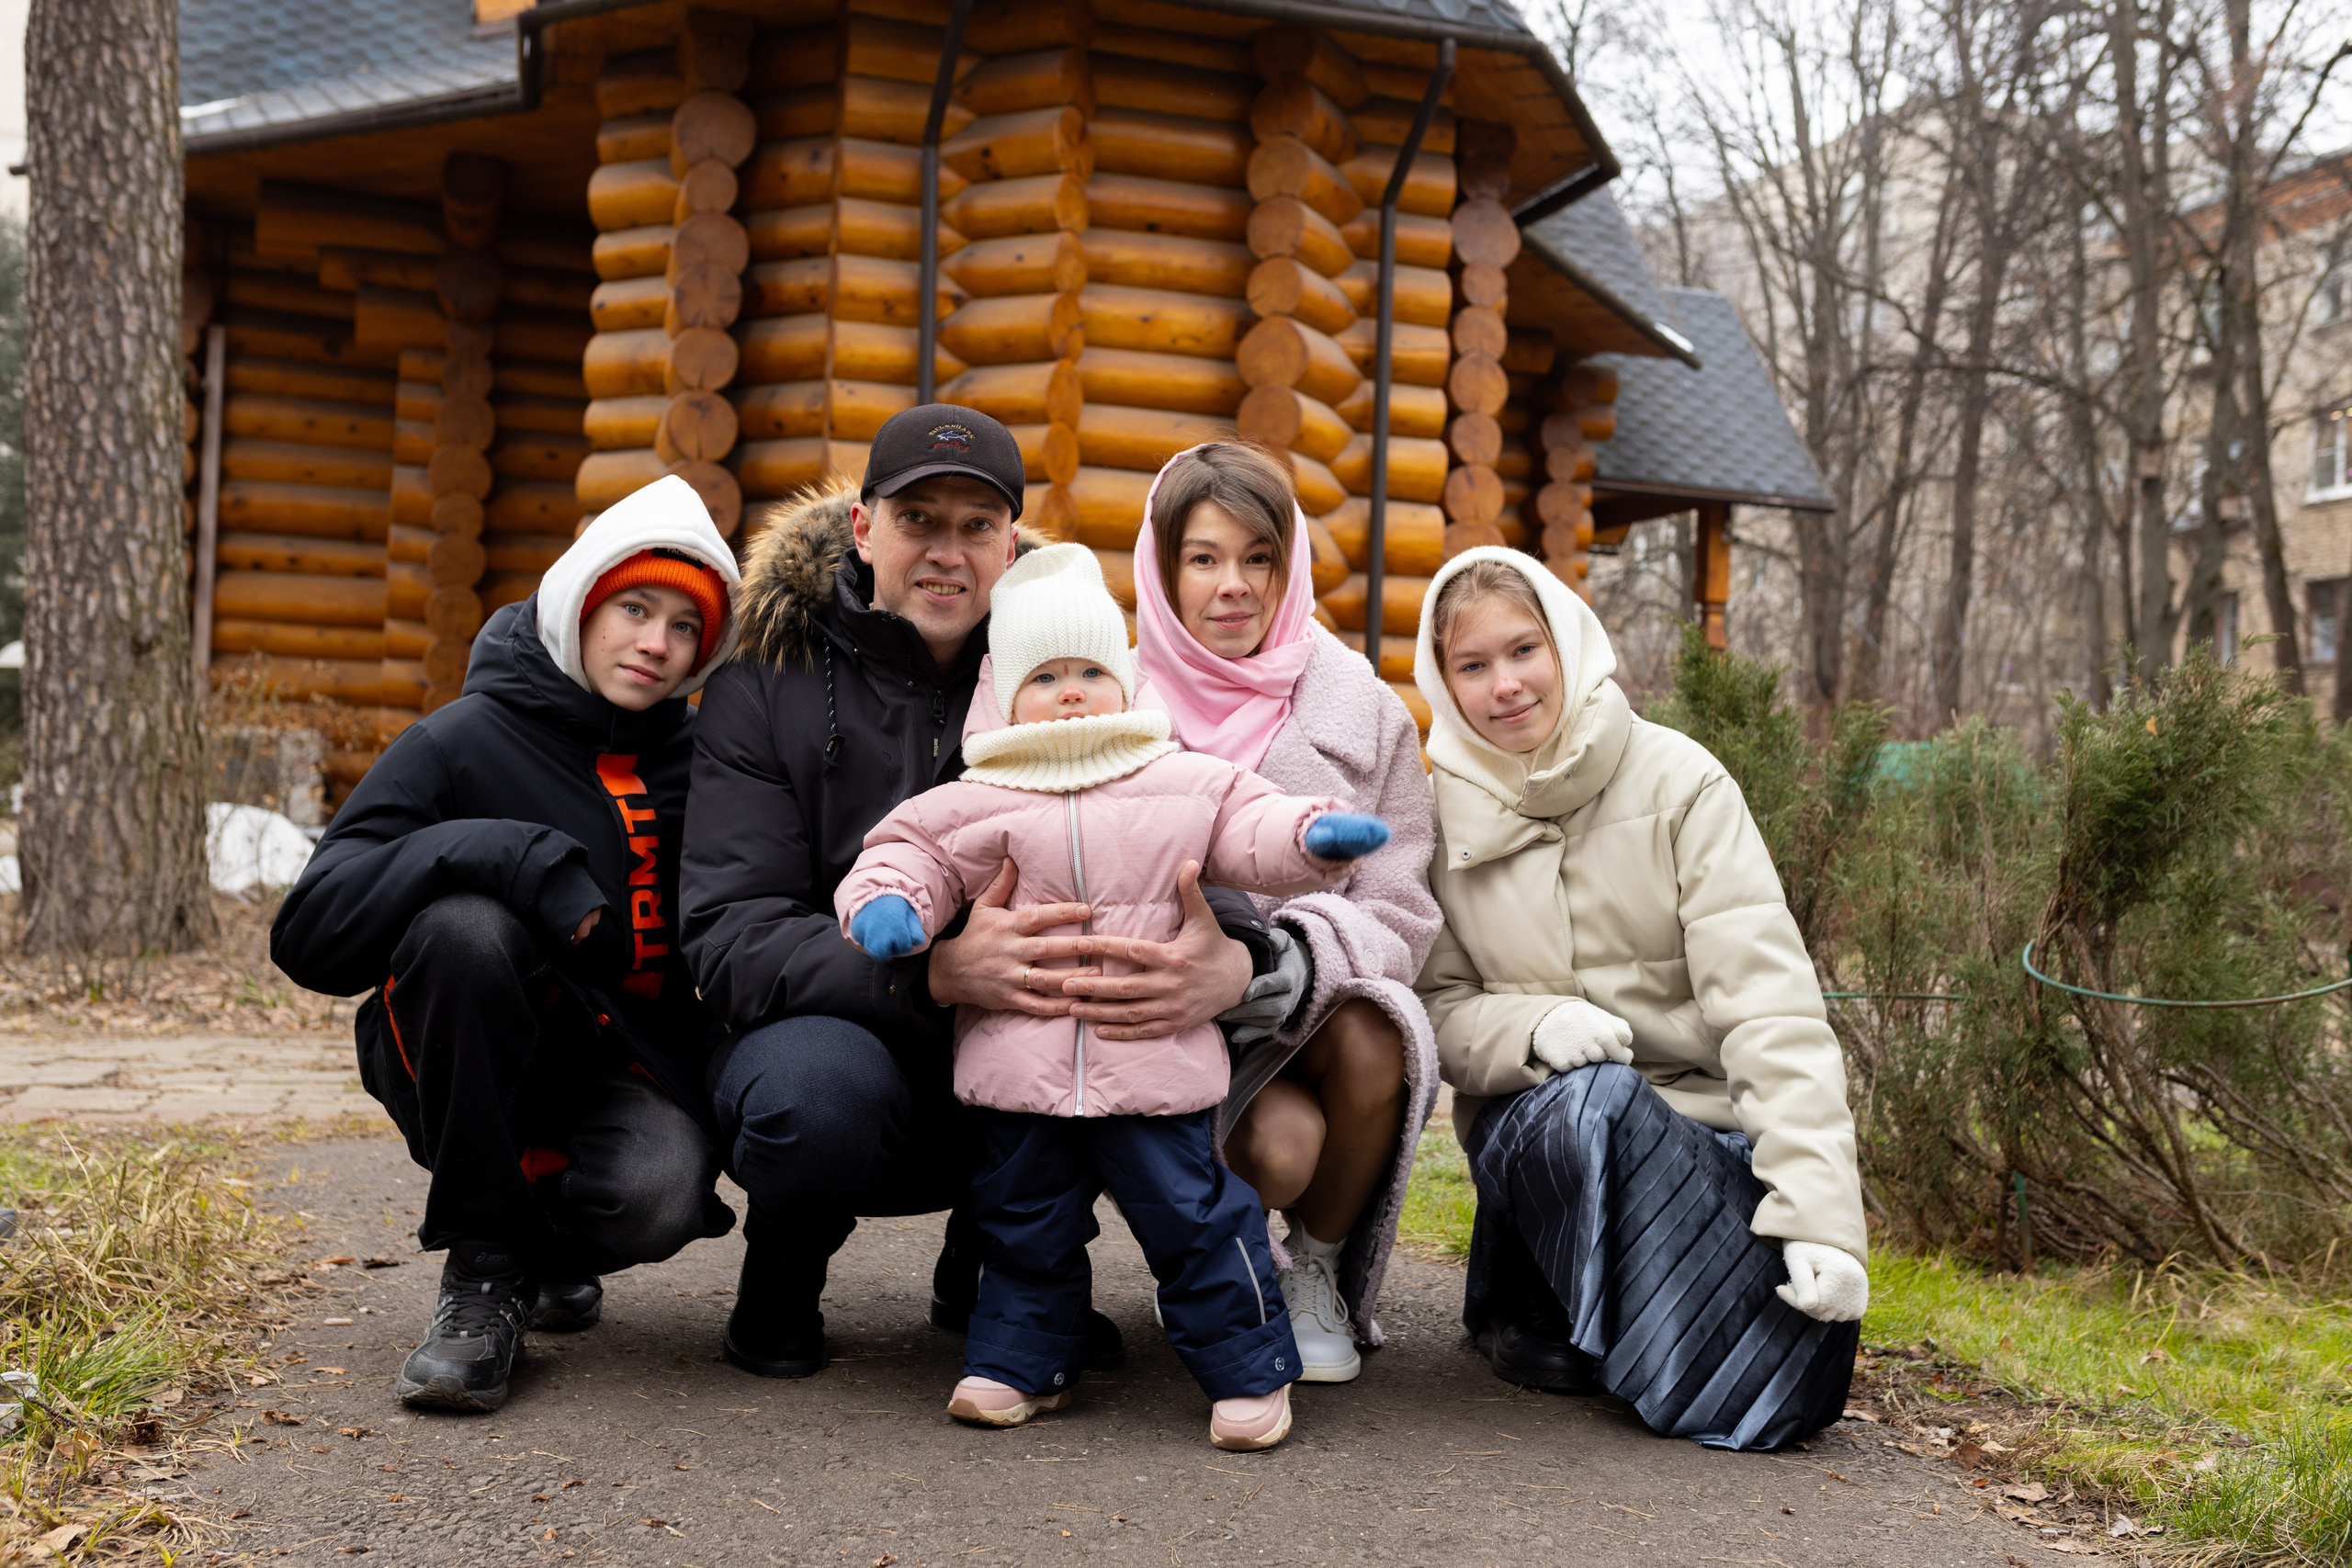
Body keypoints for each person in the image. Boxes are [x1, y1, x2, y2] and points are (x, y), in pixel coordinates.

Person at [680, 407, 1306, 1381]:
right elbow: (731, 934)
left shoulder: (1060, 665)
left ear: (1010, 543)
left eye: (977, 526)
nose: (948, 551)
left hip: (1030, 1035)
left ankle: (1000, 1284)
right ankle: (783, 1272)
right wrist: (931, 974)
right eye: (918, 519)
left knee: (1118, 1026)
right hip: (841, 1030)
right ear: (861, 528)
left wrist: (1234, 955)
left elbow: (1170, 824)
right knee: (816, 1094)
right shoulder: (767, 681)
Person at [832, 544, 1392, 1450]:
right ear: (1005, 695)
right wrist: (891, 908)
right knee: (1023, 1226)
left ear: (1122, 683)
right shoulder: (980, 795)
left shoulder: (1177, 776)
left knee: (1197, 1220)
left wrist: (1313, 834)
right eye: (1044, 675)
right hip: (1021, 1070)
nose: (1069, 692)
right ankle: (1020, 1365)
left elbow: (1249, 825)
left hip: (1155, 1065)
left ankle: (1249, 1375)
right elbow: (908, 854)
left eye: (1090, 670)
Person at [270, 476, 744, 1412]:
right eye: (635, 609)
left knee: (658, 1195)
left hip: (627, 1068)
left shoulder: (706, 762)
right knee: (464, 927)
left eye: (684, 627)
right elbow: (310, 930)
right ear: (580, 606)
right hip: (468, 1048)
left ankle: (544, 1253)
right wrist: (505, 852)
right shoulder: (460, 741)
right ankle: (483, 1273)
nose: (656, 643)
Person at [1412, 547, 1868, 1452]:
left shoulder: (1680, 784)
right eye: (1472, 665)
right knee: (1590, 1102)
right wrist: (1531, 1025)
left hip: (1700, 1139)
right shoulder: (1435, 820)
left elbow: (1768, 1008)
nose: (1503, 685)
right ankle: (1544, 1295)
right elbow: (1429, 1009)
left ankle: (1623, 1325)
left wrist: (1819, 1218)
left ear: (1568, 646)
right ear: (1443, 681)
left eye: (1522, 651)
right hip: (1546, 1129)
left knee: (1802, 1369)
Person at [1129, 443, 1443, 1383]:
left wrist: (1289, 961)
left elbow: (1401, 911)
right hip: (1163, 1024)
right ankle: (1213, 1255)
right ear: (1162, 567)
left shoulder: (1363, 712)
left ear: (1290, 563)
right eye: (1203, 558)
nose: (1234, 585)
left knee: (1384, 1029)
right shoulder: (1110, 704)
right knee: (1282, 1145)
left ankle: (1314, 1272)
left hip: (1308, 1019)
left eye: (1257, 557)